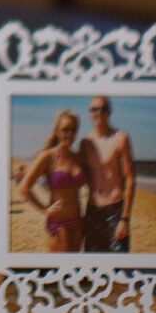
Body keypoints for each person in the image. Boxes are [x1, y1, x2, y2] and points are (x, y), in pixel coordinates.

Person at [19, 109, 86, 252]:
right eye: (65, 130)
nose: (69, 134)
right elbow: (24, 188)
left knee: (74, 268)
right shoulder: (48, 157)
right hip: (58, 222)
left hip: (78, 221)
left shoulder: (78, 157)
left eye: (73, 130)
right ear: (57, 131)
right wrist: (44, 210)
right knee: (61, 268)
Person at [80, 95, 134, 252]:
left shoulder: (121, 138)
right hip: (92, 210)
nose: (99, 112)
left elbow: (130, 178)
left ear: (109, 112)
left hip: (115, 210)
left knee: (118, 264)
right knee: (92, 263)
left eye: (103, 108)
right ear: (90, 114)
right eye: (94, 109)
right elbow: (76, 174)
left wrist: (124, 218)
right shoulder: (85, 143)